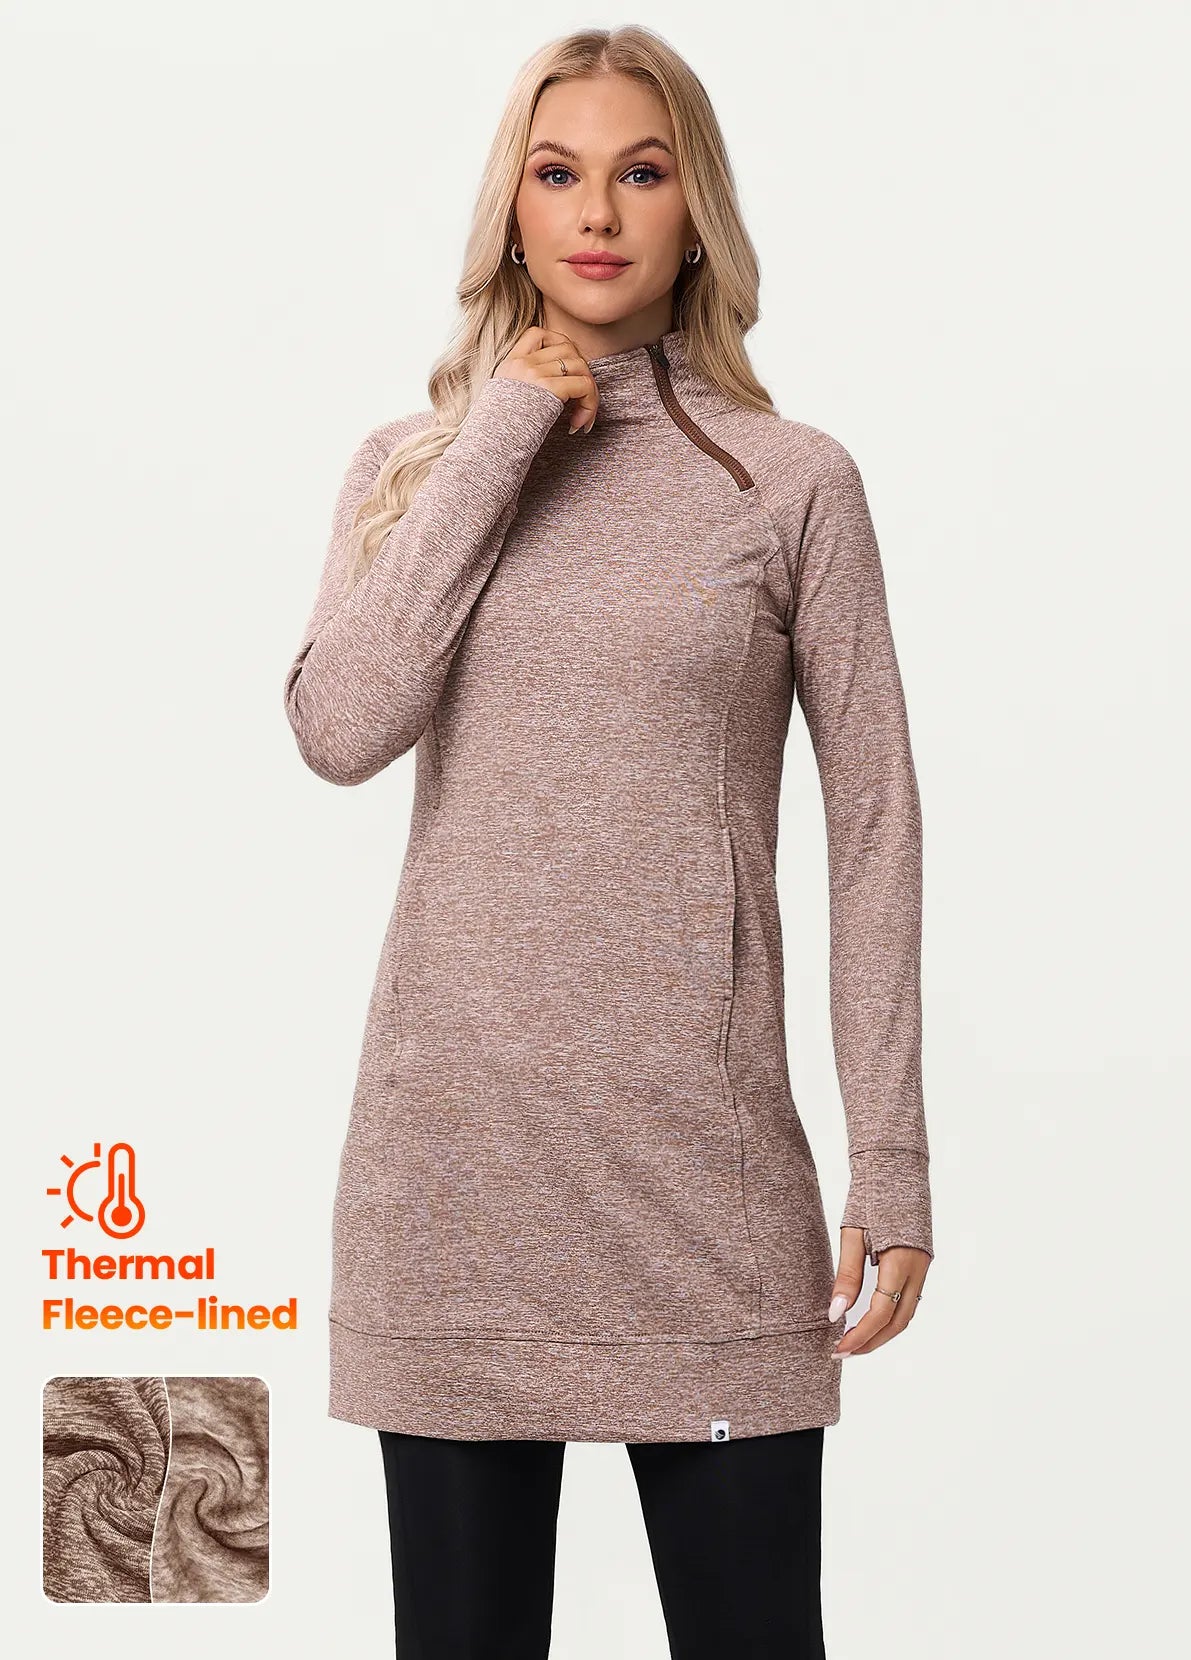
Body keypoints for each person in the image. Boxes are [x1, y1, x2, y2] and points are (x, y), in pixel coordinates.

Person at [282, 23, 934, 1660]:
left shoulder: (789, 484)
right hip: (454, 1188)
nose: (596, 212)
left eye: (641, 173)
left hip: (703, 1194)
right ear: (510, 210)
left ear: (694, 209)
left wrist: (894, 1156)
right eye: (557, 173)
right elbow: (340, 727)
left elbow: (873, 822)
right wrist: (504, 431)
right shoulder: (415, 468)